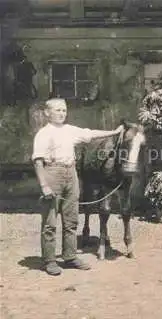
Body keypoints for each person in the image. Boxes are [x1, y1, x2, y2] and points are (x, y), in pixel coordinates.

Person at [32, 98, 124, 276]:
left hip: (71, 174)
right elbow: (37, 161)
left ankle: (70, 256)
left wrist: (114, 132)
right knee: (50, 222)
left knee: (71, 219)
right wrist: (44, 185)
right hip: (52, 173)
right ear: (47, 113)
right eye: (57, 110)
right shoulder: (43, 134)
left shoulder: (70, 130)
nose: (61, 113)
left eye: (64, 110)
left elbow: (90, 133)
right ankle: (49, 261)